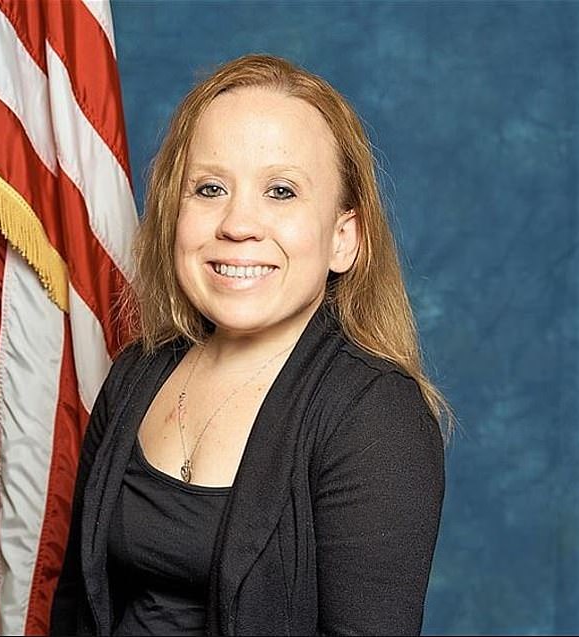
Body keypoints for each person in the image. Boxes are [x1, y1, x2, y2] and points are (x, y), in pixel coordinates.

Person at [50, 53, 449, 637]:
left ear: (343, 239)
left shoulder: (377, 417)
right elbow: (73, 607)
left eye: (281, 191)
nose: (237, 224)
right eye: (210, 188)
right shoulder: (137, 372)